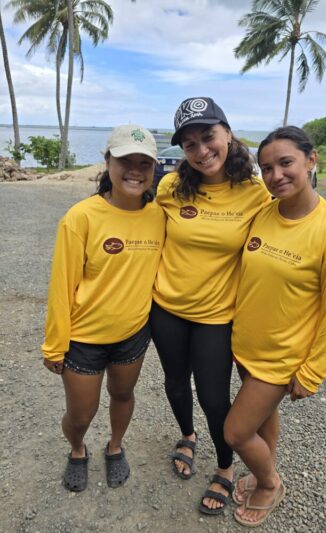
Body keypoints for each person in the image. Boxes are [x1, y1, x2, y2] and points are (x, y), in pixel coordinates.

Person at [223, 126, 326, 527]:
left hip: (282, 357)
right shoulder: (264, 213)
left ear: (311, 160)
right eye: (266, 168)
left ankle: (270, 483)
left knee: (235, 431)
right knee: (262, 419)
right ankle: (263, 469)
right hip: (245, 345)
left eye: (286, 163)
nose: (275, 175)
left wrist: (313, 371)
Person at [150, 97, 270, 514]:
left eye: (208, 137)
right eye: (189, 145)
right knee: (175, 383)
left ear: (227, 133)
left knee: (215, 398)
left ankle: (223, 466)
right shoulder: (170, 186)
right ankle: (187, 435)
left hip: (217, 316)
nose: (201, 151)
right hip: (165, 307)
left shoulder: (256, 193)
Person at [41, 125, 165, 492]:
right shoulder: (81, 217)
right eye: (126, 160)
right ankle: (77, 449)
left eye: (145, 163)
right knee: (80, 415)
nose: (136, 170)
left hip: (132, 334)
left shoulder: (159, 215)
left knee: (123, 396)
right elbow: (61, 286)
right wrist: (54, 344)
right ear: (107, 161)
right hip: (84, 338)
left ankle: (114, 446)